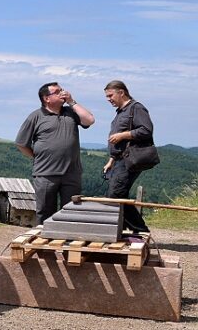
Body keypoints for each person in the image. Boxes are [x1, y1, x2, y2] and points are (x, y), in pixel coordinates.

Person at [15, 82, 96, 224]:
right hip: (46, 173)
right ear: (46, 98)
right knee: (45, 212)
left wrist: (71, 101)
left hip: (72, 173)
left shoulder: (70, 112)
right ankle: (44, 244)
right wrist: (36, 157)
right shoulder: (36, 116)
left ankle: (67, 243)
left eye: (62, 90)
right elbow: (21, 143)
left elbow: (89, 120)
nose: (62, 93)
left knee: (72, 212)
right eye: (57, 92)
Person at [102, 80, 155, 233]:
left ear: (121, 92)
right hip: (119, 159)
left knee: (115, 195)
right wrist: (111, 160)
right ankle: (126, 230)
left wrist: (123, 135)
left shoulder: (136, 108)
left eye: (110, 95)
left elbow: (146, 130)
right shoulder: (121, 111)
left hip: (130, 160)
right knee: (119, 194)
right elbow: (119, 143)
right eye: (107, 96)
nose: (109, 99)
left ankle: (141, 230)